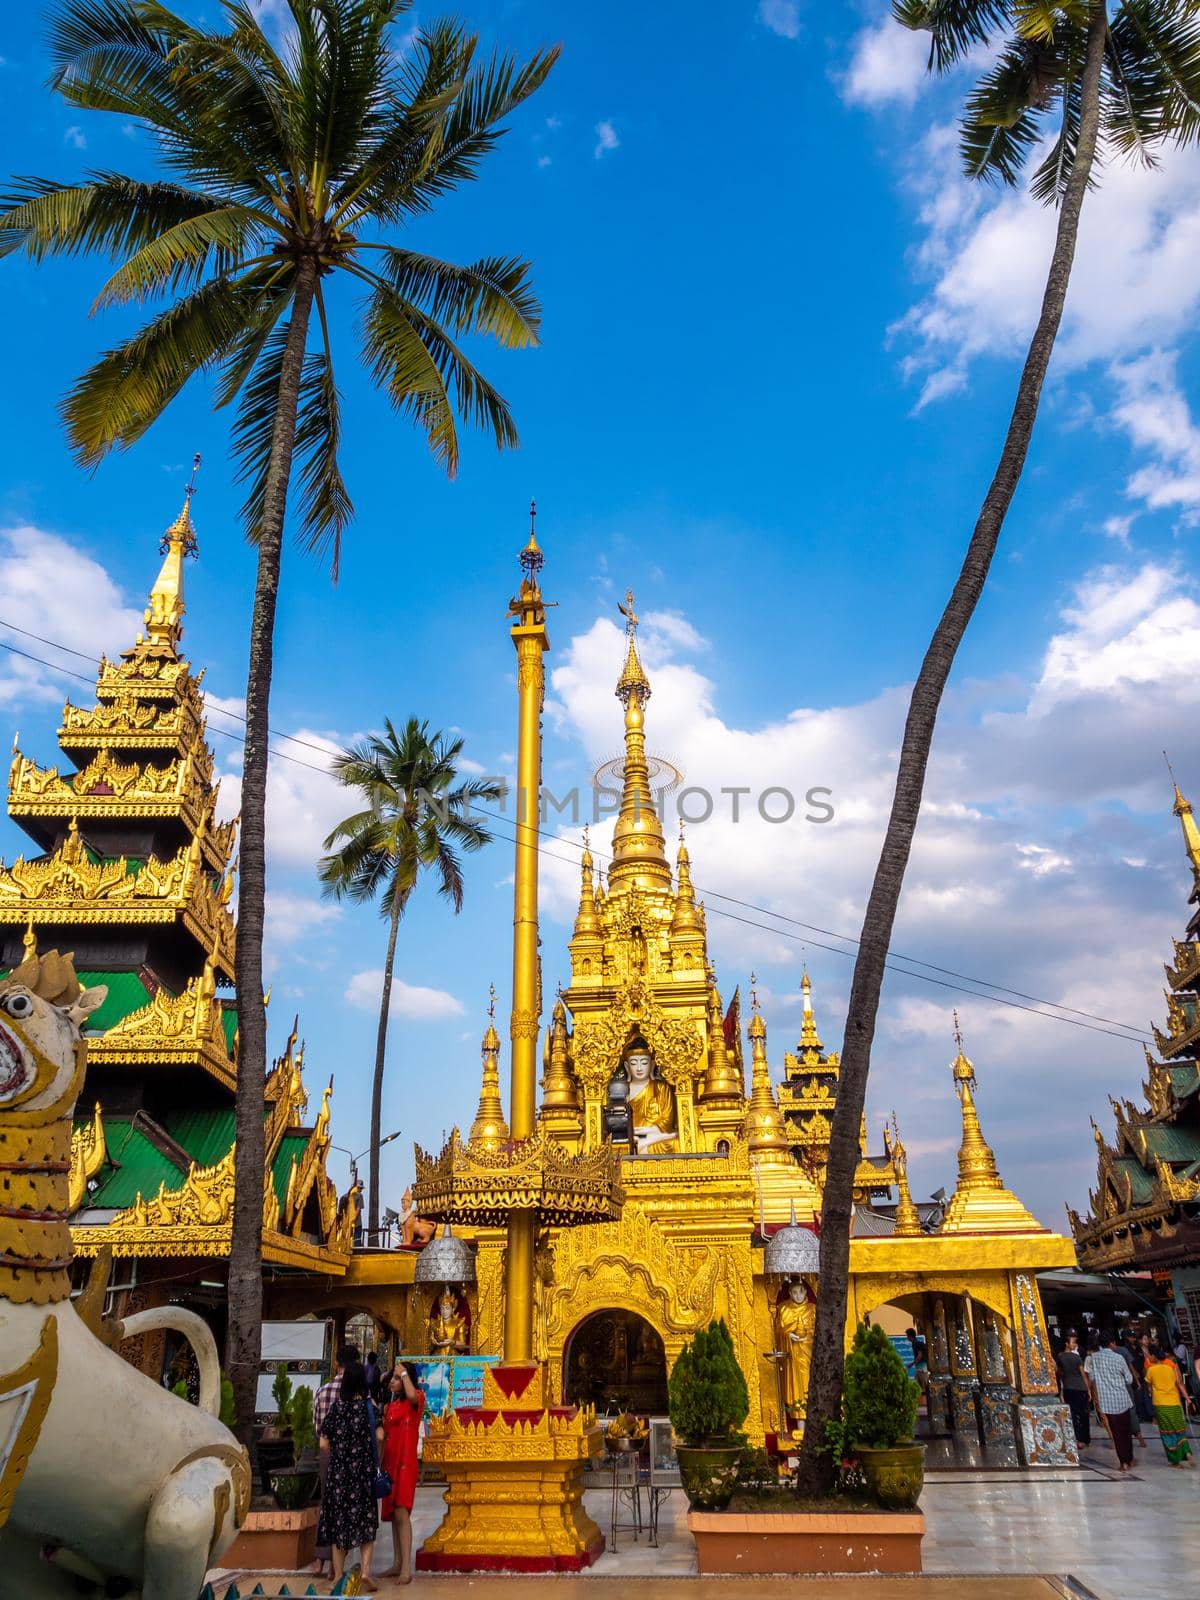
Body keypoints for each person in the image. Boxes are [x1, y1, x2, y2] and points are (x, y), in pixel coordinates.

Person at [317, 1360, 379, 1591]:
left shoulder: (337, 1408)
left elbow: (323, 1442)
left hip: (339, 1474)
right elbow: (380, 1437)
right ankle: (365, 1571)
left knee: (338, 1523)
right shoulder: (369, 1408)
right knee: (366, 1522)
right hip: (362, 1473)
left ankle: (338, 1576)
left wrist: (337, 1454)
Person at [311, 1342, 360, 1577]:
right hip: (350, 1456)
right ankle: (335, 1566)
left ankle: (321, 1559)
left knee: (326, 1504)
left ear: (337, 1363)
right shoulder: (356, 1392)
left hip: (326, 1452)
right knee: (346, 1507)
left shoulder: (322, 1391)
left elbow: (317, 1428)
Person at [379, 1362, 426, 1583]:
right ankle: (397, 1562)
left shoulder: (415, 1399)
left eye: (396, 1378)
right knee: (393, 1516)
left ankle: (406, 1566)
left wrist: (404, 1372)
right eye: (392, 1378)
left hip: (405, 1464)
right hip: (390, 1463)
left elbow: (412, 1395)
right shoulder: (391, 1407)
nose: (392, 1381)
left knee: (402, 1512)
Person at [1085, 1331, 1136, 1472]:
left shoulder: (1094, 1358)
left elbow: (1092, 1378)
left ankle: (1123, 1462)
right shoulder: (1118, 1358)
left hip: (1107, 1402)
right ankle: (1129, 1458)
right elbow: (1129, 1379)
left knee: (1116, 1433)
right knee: (1126, 1431)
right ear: (1111, 1343)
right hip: (1122, 1399)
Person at [1144, 1344, 1195, 1468]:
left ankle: (1175, 1461)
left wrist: (1152, 1391)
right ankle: (1187, 1452)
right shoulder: (1170, 1367)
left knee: (1167, 1433)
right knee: (1180, 1430)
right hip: (1175, 1403)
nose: (1148, 1357)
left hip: (1161, 1405)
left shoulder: (1151, 1370)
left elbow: (1149, 1388)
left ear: (1154, 1356)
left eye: (1149, 1355)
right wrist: (1188, 1399)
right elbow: (1179, 1384)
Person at [1056, 1331, 1090, 1448]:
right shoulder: (1077, 1358)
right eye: (1073, 1342)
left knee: (1073, 1414)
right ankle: (1084, 1438)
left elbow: (1060, 1373)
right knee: (1083, 1414)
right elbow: (1083, 1374)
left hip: (1069, 1388)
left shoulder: (1060, 1358)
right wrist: (1088, 1389)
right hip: (1081, 1388)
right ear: (1067, 1344)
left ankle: (1076, 1438)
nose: (1075, 1345)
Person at [1118, 1328, 1149, 1448]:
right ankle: (1136, 1432)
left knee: (1137, 1401)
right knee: (1131, 1406)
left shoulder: (1137, 1349)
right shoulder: (1124, 1350)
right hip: (1129, 1380)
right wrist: (1135, 1378)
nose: (1133, 1339)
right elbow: (1130, 1366)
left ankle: (1139, 1427)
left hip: (1139, 1378)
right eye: (1131, 1337)